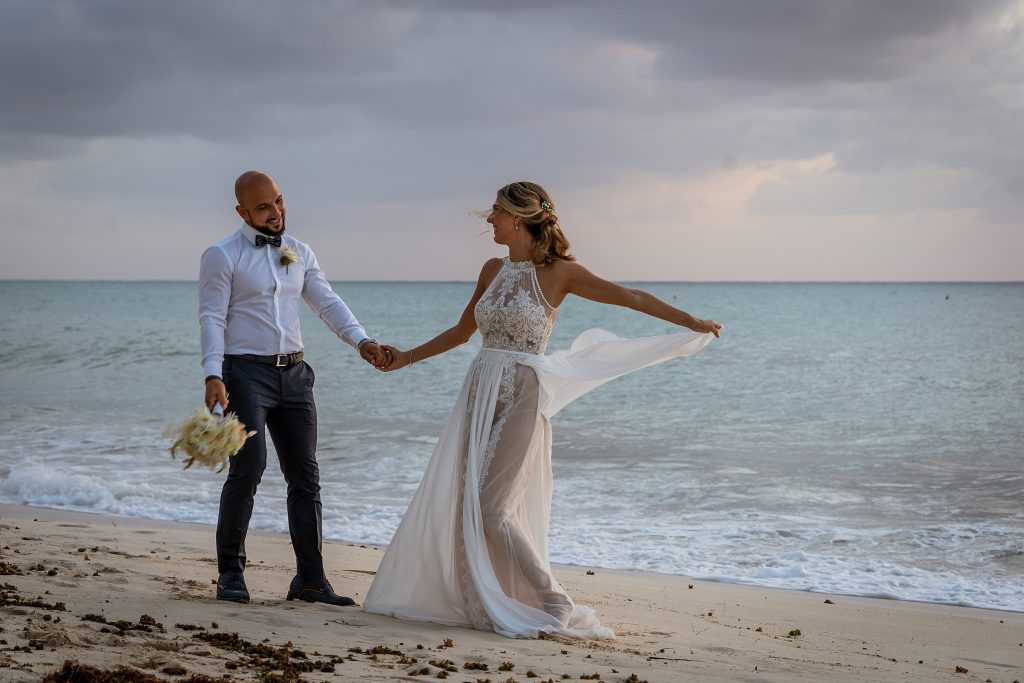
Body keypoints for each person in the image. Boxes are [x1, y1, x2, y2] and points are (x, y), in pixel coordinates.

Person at [363, 181, 721, 639]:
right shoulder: (491, 269)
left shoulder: (560, 273)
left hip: (525, 390)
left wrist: (694, 324)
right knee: (470, 505)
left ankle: (555, 601)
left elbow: (630, 296)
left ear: (520, 217)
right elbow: (461, 332)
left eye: (495, 211)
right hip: (480, 389)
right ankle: (492, 597)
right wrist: (404, 357)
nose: (488, 219)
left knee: (493, 509)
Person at [199, 170, 388, 606]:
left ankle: (310, 580)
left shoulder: (297, 251)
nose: (276, 213)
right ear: (242, 211)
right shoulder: (221, 254)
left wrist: (361, 340)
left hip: (296, 375)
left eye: (279, 202)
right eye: (263, 207)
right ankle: (230, 572)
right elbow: (211, 316)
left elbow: (326, 301)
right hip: (244, 374)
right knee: (249, 468)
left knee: (306, 476)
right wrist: (213, 373)